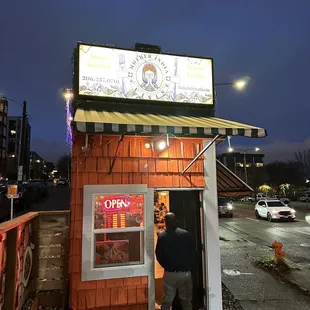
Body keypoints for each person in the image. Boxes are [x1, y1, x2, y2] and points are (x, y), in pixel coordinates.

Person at [155, 212, 194, 310]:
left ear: (166, 222)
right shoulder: (185, 234)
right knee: (186, 301)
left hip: (170, 274)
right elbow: (192, 251)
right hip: (185, 273)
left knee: (167, 301)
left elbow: (158, 254)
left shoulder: (162, 236)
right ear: (175, 221)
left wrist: (166, 265)